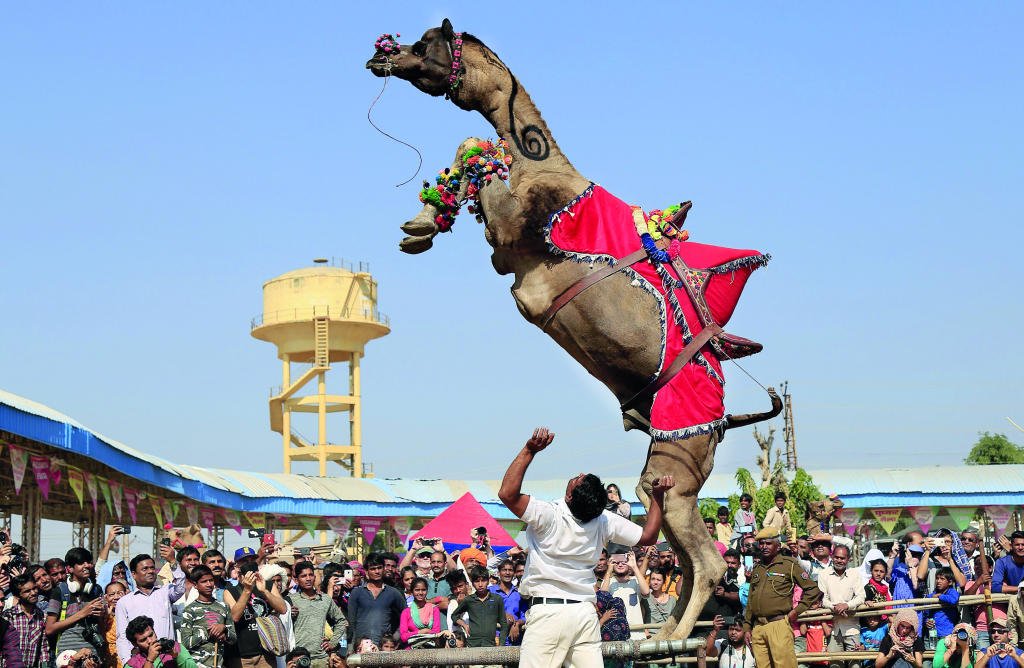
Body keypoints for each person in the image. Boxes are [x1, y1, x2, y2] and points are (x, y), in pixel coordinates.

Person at [497, 427, 674, 668]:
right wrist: (658, 496)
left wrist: (529, 450)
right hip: (584, 616)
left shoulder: (550, 514)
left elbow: (507, 494)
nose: (578, 474)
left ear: (569, 497)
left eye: (577, 479)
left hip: (549, 613)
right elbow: (649, 535)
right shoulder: (603, 519)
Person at [742, 526, 820, 668]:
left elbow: (812, 589)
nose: (764, 546)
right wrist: (747, 628)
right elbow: (751, 601)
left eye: (768, 543)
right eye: (762, 543)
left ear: (778, 546)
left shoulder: (789, 565)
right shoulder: (757, 569)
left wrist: (796, 611)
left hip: (779, 625)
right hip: (758, 627)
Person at [114, 549, 185, 664]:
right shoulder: (124, 602)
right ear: (133, 574)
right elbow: (122, 636)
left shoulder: (165, 592)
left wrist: (173, 562)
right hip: (142, 660)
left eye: (152, 568)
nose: (150, 571)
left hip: (167, 657)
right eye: (145, 569)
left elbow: (181, 588)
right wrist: (128, 661)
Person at [223, 560, 290, 668]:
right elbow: (234, 617)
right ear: (240, 575)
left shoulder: (267, 585)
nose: (252, 578)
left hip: (266, 652)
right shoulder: (230, 590)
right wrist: (247, 590)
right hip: (241, 655)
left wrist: (264, 591)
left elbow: (283, 609)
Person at [46, 547, 108, 657]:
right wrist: (82, 613)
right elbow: (50, 629)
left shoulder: (96, 590)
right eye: (81, 563)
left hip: (93, 653)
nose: (87, 566)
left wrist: (102, 614)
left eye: (88, 562)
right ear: (70, 568)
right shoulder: (60, 591)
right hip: (68, 655)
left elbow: (101, 626)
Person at [289, 561, 345, 668]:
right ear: (296, 580)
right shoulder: (291, 600)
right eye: (304, 576)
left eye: (310, 575)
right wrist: (287, 614)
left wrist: (332, 642)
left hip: (321, 658)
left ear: (315, 577)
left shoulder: (325, 599)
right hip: (299, 658)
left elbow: (341, 621)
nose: (308, 578)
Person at [179, 565, 236, 668]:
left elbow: (233, 638)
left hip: (219, 664)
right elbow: (186, 643)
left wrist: (224, 631)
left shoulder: (224, 606)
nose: (209, 584)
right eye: (204, 582)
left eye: (211, 580)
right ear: (195, 585)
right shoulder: (189, 610)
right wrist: (209, 633)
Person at [346, 552, 406, 648]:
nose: (377, 571)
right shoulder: (357, 593)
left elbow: (406, 615)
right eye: (373, 569)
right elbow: (351, 623)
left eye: (379, 567)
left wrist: (395, 637)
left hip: (384, 648)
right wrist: (350, 647)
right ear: (366, 571)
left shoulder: (393, 593)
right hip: (362, 647)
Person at [818, 544, 865, 659]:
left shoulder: (854, 574)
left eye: (842, 558)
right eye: (836, 557)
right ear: (832, 557)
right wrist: (835, 607)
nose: (839, 560)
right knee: (835, 664)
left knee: (855, 664)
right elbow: (822, 599)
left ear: (848, 559)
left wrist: (846, 605)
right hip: (832, 629)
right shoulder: (824, 574)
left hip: (852, 627)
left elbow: (861, 596)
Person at [448, 567, 508, 649]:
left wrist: (501, 645)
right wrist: (465, 625)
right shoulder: (469, 600)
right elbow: (454, 616)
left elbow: (503, 623)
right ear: (472, 583)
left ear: (488, 581)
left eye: (483, 580)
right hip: (472, 645)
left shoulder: (497, 599)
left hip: (491, 644)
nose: (480, 584)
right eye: (476, 581)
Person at [2, 574, 48, 668]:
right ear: (17, 596)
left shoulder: (41, 616)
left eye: (34, 588)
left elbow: (43, 647)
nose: (33, 593)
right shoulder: (8, 617)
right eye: (27, 591)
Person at [600, 551, 649, 640]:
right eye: (616, 562)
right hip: (616, 634)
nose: (620, 565)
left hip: (636, 634)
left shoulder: (636, 580)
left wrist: (634, 566)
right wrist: (608, 571)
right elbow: (603, 598)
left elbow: (646, 592)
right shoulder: (608, 581)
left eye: (624, 562)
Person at [123, 615, 197, 668]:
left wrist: (177, 657)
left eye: (151, 635)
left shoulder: (174, 647)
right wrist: (149, 661)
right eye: (143, 640)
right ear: (134, 644)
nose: (150, 641)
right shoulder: (132, 664)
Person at [489, 559, 526, 645]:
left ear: (514, 574)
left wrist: (517, 624)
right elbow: (485, 610)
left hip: (516, 638)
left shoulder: (519, 593)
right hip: (495, 637)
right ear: (498, 573)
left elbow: (524, 616)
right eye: (504, 570)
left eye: (510, 570)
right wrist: (503, 614)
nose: (507, 573)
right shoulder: (490, 591)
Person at [926, 568, 962, 648]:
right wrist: (927, 622)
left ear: (950, 582)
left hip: (947, 635)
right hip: (932, 635)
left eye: (942, 579)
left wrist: (940, 596)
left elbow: (953, 600)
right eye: (937, 578)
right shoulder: (931, 596)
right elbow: (926, 613)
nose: (938, 581)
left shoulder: (952, 592)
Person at [398, 578, 440, 644]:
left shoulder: (434, 609)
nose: (420, 593)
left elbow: (436, 631)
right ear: (412, 592)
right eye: (417, 590)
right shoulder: (406, 612)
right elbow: (403, 637)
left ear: (427, 591)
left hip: (431, 648)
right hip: (412, 649)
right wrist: (421, 632)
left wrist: (412, 634)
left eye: (423, 590)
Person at [425, 550, 452, 630]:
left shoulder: (451, 582)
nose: (436, 565)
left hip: (447, 629)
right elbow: (422, 605)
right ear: (430, 564)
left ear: (445, 564)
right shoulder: (426, 583)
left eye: (439, 562)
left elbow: (448, 603)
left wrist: (429, 603)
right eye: (433, 562)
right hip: (429, 630)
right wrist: (440, 601)